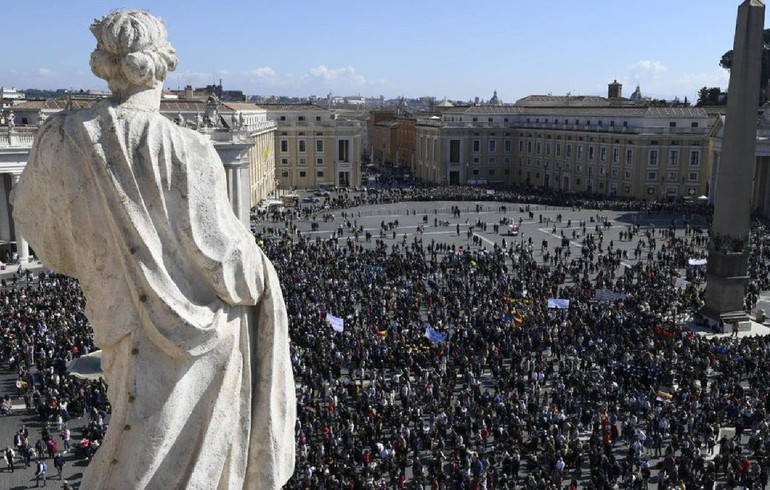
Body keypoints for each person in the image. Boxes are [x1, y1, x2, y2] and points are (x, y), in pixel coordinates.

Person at [11, 10, 295, 489]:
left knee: (132, 441)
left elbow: (45, 238)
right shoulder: (188, 148)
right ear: (162, 65)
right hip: (202, 346)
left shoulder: (57, 138)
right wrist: (264, 271)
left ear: (104, 64)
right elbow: (230, 270)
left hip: (120, 324)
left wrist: (102, 259)